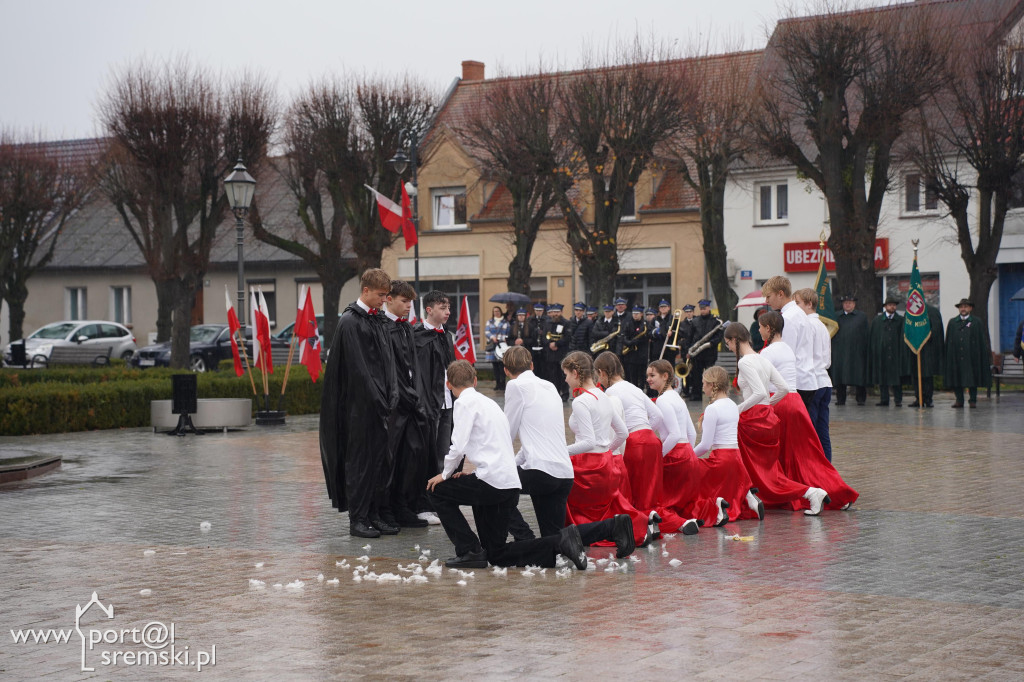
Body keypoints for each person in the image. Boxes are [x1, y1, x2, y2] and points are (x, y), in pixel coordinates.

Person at [426, 361, 588, 570]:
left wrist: (445, 474)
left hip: (490, 483)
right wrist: (472, 473)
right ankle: (560, 542)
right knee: (496, 553)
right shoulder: (490, 403)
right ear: (475, 381)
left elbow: (458, 446)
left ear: (448, 385)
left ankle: (469, 550)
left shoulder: (463, 403)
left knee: (436, 490)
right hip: (508, 482)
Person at [500, 346, 634, 556]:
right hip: (565, 472)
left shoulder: (516, 386)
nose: (564, 379)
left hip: (546, 469)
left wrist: (500, 466)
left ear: (506, 371)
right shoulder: (550, 387)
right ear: (532, 365)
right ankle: (612, 527)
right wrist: (606, 451)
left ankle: (524, 538)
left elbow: (507, 432)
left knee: (497, 488)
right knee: (555, 537)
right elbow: (533, 443)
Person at [320, 268, 397, 538]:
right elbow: (359, 368)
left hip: (379, 407)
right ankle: (359, 518)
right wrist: (378, 397)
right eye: (380, 295)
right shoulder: (351, 321)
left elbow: (387, 363)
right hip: (359, 409)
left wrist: (392, 391)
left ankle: (374, 513)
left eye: (387, 296)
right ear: (365, 290)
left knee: (380, 462)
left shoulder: (376, 320)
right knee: (361, 463)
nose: (384, 300)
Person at [723, 323, 831, 516]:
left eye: (728, 343)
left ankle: (809, 492)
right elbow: (781, 388)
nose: (728, 348)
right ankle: (754, 498)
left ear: (734, 340)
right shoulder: (762, 358)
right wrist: (767, 406)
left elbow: (759, 392)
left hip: (753, 419)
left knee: (762, 473)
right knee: (769, 471)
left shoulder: (744, 362)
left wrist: (737, 410)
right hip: (767, 418)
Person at [757, 311, 858, 512]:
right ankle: (839, 493)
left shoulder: (767, 353)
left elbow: (762, 386)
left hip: (780, 402)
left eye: (760, 327)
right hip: (795, 402)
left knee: (782, 455)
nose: (758, 330)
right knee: (808, 456)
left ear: (768, 328)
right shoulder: (787, 348)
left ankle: (794, 493)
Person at [561, 351, 657, 549]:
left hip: (588, 466)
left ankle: (572, 536)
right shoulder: (604, 396)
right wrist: (606, 451)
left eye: (566, 374)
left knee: (561, 491)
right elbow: (622, 433)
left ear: (575, 373)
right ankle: (637, 524)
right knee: (606, 506)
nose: (565, 379)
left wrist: (561, 451)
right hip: (606, 464)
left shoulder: (581, 401)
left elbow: (588, 442)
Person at [645, 359, 722, 532]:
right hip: (687, 453)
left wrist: (658, 457)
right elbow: (692, 434)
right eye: (648, 376)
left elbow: (674, 435)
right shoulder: (678, 398)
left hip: (675, 455)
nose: (648, 379)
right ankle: (714, 509)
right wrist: (689, 453)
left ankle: (681, 523)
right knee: (682, 502)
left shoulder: (663, 400)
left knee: (663, 502)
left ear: (665, 376)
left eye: (652, 375)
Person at [595, 351, 667, 516]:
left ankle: (646, 526)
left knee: (637, 497)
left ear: (602, 373)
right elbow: (658, 416)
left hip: (634, 443)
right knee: (652, 497)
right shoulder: (634, 387)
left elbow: (613, 428)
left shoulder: (610, 393)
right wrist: (645, 430)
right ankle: (677, 522)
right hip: (651, 439)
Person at [383, 280, 428, 529]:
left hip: (411, 402)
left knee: (411, 457)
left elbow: (413, 367)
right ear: (389, 299)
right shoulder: (381, 328)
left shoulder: (407, 329)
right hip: (394, 404)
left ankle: (403, 505)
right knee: (390, 458)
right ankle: (387, 508)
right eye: (404, 301)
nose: (408, 306)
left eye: (410, 302)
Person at [693, 366, 764, 522]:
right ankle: (749, 498)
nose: (702, 386)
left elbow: (705, 445)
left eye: (704, 383)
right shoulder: (733, 405)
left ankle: (716, 508)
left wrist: (689, 456)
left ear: (712, 385)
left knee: (691, 474)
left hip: (721, 458)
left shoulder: (712, 409)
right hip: (736, 458)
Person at [413, 290, 456, 525]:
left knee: (444, 455)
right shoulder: (417, 336)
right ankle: (423, 504)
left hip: (448, 403)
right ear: (429, 310)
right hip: (428, 405)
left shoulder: (446, 336)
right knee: (426, 456)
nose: (447, 311)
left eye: (448, 307)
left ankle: (439, 501)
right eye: (442, 307)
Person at [762, 276, 818, 417]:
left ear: (780, 294)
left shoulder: (788, 317)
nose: (766, 301)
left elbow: (786, 352)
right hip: (804, 378)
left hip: (797, 382)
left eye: (769, 296)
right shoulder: (797, 313)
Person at [792, 288, 833, 461]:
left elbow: (802, 356)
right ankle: (827, 465)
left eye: (798, 303)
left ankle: (814, 466)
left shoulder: (807, 325)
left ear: (809, 304)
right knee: (822, 429)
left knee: (810, 431)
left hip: (813, 382)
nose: (796, 307)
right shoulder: (822, 326)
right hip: (825, 380)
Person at [944, 298, 992, 408]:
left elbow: (981, 340)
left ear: (970, 308)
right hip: (956, 355)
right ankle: (959, 400)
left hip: (971, 356)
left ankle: (972, 400)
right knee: (957, 377)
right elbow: (949, 340)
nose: (963, 309)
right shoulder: (953, 322)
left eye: (965, 306)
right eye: (961, 307)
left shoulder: (976, 322)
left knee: (972, 378)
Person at [868, 296, 910, 407]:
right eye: (890, 305)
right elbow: (874, 337)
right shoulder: (877, 321)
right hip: (882, 354)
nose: (892, 307)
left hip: (895, 353)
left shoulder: (900, 320)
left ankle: (898, 399)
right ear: (885, 306)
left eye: (894, 305)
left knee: (897, 379)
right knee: (883, 378)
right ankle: (884, 399)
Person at [832, 295, 869, 406]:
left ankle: (861, 398)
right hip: (840, 351)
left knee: (859, 375)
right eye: (845, 302)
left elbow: (865, 333)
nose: (848, 304)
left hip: (857, 351)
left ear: (854, 304)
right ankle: (841, 399)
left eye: (850, 302)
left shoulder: (861, 317)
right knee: (840, 375)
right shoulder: (836, 316)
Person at [684, 300, 723, 402]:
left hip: (710, 352)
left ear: (709, 308)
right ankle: (696, 395)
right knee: (696, 375)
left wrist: (712, 343)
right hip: (697, 353)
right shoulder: (695, 321)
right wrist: (689, 350)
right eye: (701, 309)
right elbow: (690, 337)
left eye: (704, 308)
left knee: (710, 375)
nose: (702, 310)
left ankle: (714, 395)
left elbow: (719, 336)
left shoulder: (715, 320)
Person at [909, 303, 944, 408]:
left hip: (928, 348)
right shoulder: (911, 311)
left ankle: (928, 399)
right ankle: (918, 398)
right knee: (916, 374)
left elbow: (936, 329)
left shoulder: (932, 311)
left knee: (927, 375)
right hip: (915, 348)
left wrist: (924, 337)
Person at [543, 303, 571, 401]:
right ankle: (555, 392)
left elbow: (567, 337)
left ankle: (565, 393)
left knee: (563, 374)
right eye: (554, 312)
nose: (555, 314)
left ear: (561, 312)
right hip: (551, 354)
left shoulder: (566, 323)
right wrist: (549, 343)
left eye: (557, 312)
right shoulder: (548, 323)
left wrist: (557, 344)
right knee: (553, 375)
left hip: (561, 353)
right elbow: (544, 336)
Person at [621, 305, 650, 389]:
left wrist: (640, 340)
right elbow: (623, 336)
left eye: (637, 313)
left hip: (642, 354)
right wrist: (629, 342)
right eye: (634, 313)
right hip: (631, 354)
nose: (635, 315)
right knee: (632, 376)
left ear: (641, 314)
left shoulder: (645, 324)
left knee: (642, 376)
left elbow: (648, 335)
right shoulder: (628, 323)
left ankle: (641, 390)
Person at [485, 306, 510, 391]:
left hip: (502, 346)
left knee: (502, 366)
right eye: (494, 311)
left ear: (501, 311)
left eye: (498, 311)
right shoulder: (489, 321)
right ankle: (497, 384)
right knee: (495, 366)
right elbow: (487, 332)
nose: (496, 312)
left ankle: (503, 384)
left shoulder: (505, 322)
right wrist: (492, 337)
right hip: (493, 345)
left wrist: (500, 338)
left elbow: (508, 333)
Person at [525, 302, 547, 379]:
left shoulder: (546, 320)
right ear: (534, 310)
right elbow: (527, 334)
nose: (538, 312)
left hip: (543, 348)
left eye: (540, 311)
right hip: (533, 348)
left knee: (543, 370)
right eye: (537, 310)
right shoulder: (529, 320)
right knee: (533, 369)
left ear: (543, 311)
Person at [652, 300, 678, 365]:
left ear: (669, 308)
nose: (663, 308)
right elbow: (650, 331)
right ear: (659, 309)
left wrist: (672, 333)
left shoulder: (673, 318)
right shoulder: (655, 319)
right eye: (661, 307)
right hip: (657, 349)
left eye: (665, 307)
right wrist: (656, 332)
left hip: (669, 349)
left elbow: (679, 332)